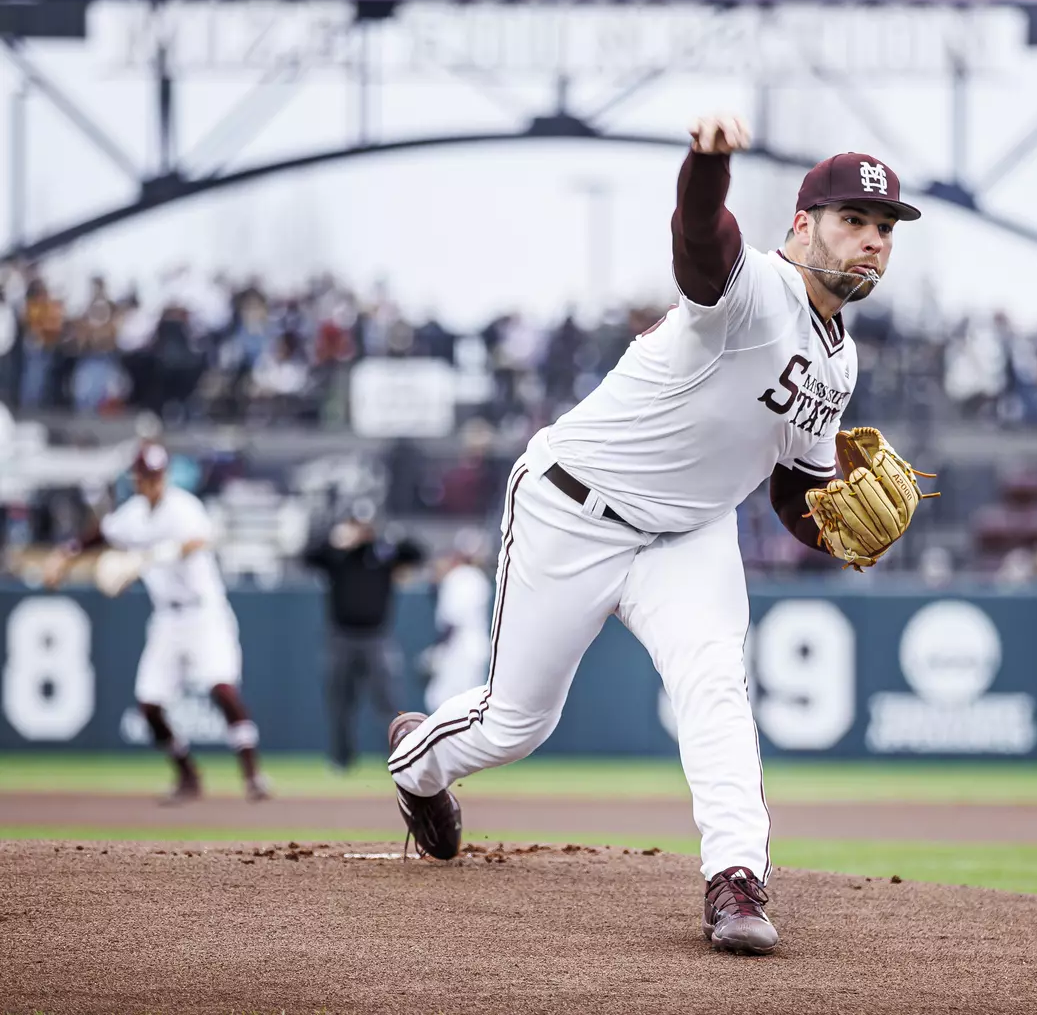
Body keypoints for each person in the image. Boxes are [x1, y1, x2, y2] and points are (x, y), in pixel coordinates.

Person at [384, 112, 933, 956]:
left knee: (715, 685)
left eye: (883, 228)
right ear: (802, 224)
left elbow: (799, 489)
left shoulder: (840, 360)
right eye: (853, 220)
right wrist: (704, 163)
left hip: (687, 536)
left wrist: (842, 534)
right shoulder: (752, 292)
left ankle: (736, 881)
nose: (870, 241)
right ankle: (418, 765)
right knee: (516, 723)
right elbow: (700, 241)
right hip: (573, 508)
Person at [43, 442, 269, 802]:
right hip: (167, 620)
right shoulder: (133, 514)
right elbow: (102, 532)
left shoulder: (182, 507)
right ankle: (188, 775)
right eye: (146, 477)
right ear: (137, 478)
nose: (152, 483)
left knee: (222, 689)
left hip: (204, 614)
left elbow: (200, 539)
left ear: (165, 476)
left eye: (157, 476)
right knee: (149, 706)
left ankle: (253, 776)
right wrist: (64, 555)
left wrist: (151, 556)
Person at [302, 501, 425, 771]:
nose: (361, 531)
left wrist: (387, 539)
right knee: (340, 702)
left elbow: (416, 553)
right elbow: (307, 557)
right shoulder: (338, 555)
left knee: (389, 702)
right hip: (341, 637)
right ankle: (341, 759)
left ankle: (401, 756)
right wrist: (336, 543)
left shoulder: (382, 553)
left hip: (376, 637)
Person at [418, 530, 493, 712]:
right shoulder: (480, 579)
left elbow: (452, 621)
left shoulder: (459, 577)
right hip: (475, 648)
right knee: (469, 707)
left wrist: (438, 650)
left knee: (440, 700)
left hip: (458, 650)